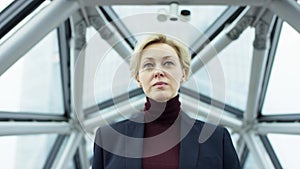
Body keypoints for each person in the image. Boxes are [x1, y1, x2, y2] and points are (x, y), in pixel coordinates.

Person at [92, 33, 241, 169]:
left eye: (168, 63)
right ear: (138, 78)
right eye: (148, 65)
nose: (158, 72)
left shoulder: (216, 139)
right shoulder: (108, 139)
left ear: (183, 73)